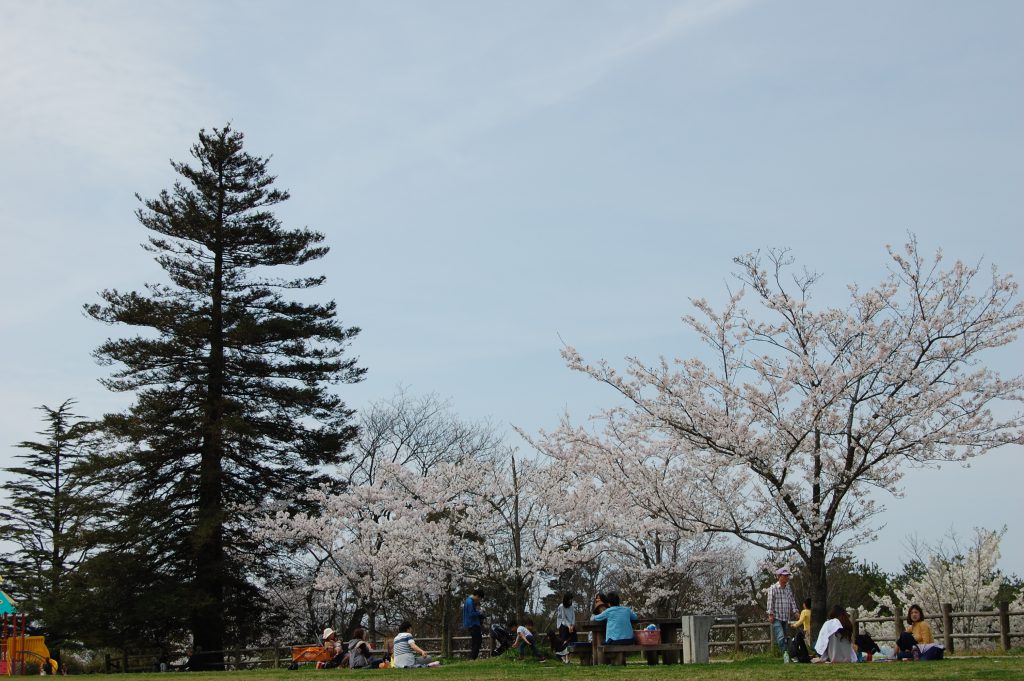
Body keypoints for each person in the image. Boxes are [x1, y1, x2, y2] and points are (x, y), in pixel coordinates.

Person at [766, 566, 799, 660]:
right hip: (776, 616)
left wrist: (795, 611)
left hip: (785, 616)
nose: (786, 578)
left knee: (785, 637)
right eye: (784, 576)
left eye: (787, 576)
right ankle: (785, 654)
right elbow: (770, 602)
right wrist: (770, 614)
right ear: (779, 576)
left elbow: (792, 600)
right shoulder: (773, 588)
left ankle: (786, 654)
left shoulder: (788, 589)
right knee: (780, 636)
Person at [553, 592, 577, 657]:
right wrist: (569, 626)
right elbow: (563, 618)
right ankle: (562, 656)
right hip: (563, 625)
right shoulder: (561, 607)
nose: (571, 600)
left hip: (571, 625)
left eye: (571, 599)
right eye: (570, 599)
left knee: (573, 640)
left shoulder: (571, 606)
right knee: (564, 641)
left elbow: (573, 616)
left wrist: (572, 625)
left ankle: (569, 655)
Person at [462, 589, 484, 660]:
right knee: (477, 641)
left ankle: (472, 657)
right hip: (473, 624)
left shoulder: (468, 601)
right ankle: (473, 658)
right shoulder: (470, 602)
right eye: (479, 598)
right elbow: (471, 614)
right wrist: (480, 612)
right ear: (477, 596)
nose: (479, 600)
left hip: (470, 624)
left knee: (475, 641)